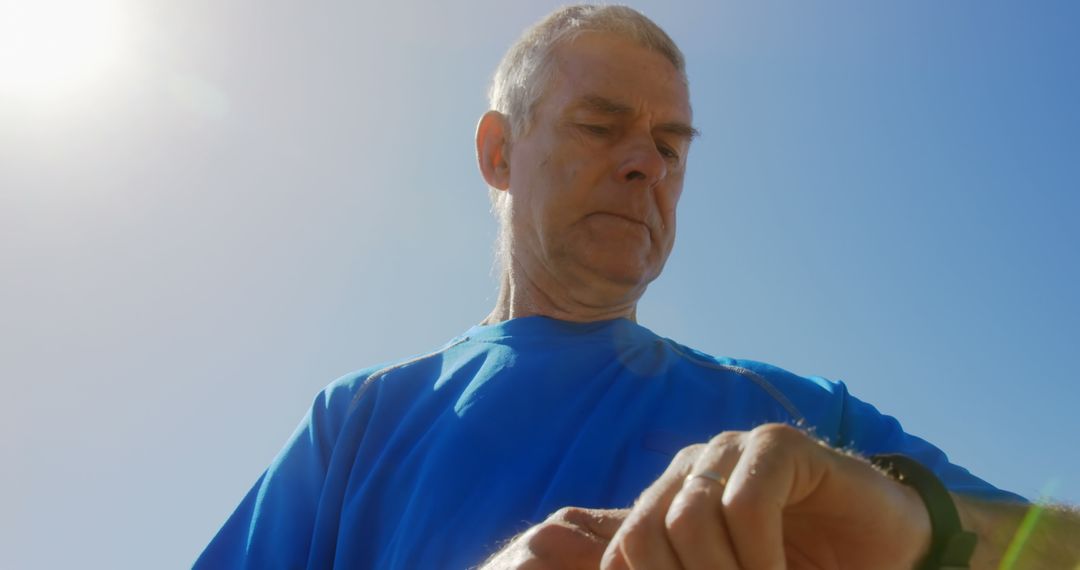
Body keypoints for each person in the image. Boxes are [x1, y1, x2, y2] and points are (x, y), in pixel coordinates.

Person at [195, 5, 1079, 569]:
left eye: (672, 146)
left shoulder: (799, 421)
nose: (644, 165)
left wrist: (919, 526)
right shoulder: (355, 426)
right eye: (599, 126)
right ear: (499, 153)